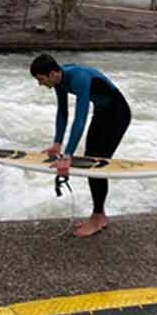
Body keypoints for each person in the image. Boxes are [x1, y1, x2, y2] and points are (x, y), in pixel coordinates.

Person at [30, 53, 131, 238]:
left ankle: (98, 217)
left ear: (52, 74)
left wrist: (68, 155)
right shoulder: (59, 80)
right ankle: (99, 215)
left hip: (118, 115)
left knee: (97, 164)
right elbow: (63, 112)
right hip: (102, 114)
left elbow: (80, 118)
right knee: (90, 160)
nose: (40, 84)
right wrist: (57, 143)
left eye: (41, 79)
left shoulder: (80, 78)